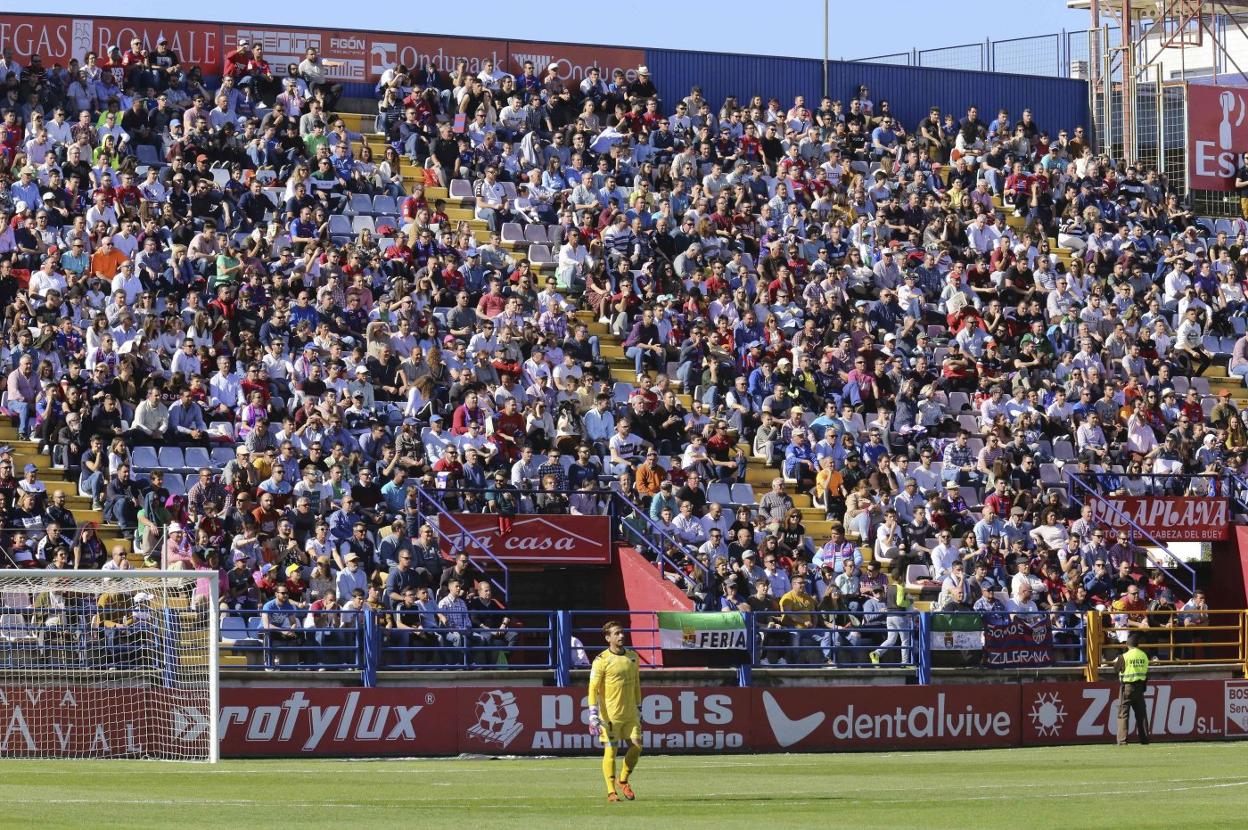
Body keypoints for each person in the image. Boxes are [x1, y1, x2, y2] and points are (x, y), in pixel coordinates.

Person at [588, 620, 643, 803]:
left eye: (622, 632)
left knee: (637, 747)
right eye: (617, 633)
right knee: (611, 752)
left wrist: (639, 707)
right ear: (607, 638)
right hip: (609, 716)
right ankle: (611, 791)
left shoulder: (633, 657)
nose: (621, 636)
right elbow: (593, 687)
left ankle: (623, 780)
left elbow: (636, 684)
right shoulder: (601, 660)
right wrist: (592, 713)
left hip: (630, 714)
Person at [1113, 631, 1150, 746]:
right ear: (1137, 644)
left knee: (1123, 714)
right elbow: (1146, 671)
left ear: (1127, 644)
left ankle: (1122, 740)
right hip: (1140, 688)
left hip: (1127, 688)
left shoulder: (1124, 656)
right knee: (1141, 715)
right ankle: (1144, 739)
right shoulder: (1144, 655)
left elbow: (1116, 668)